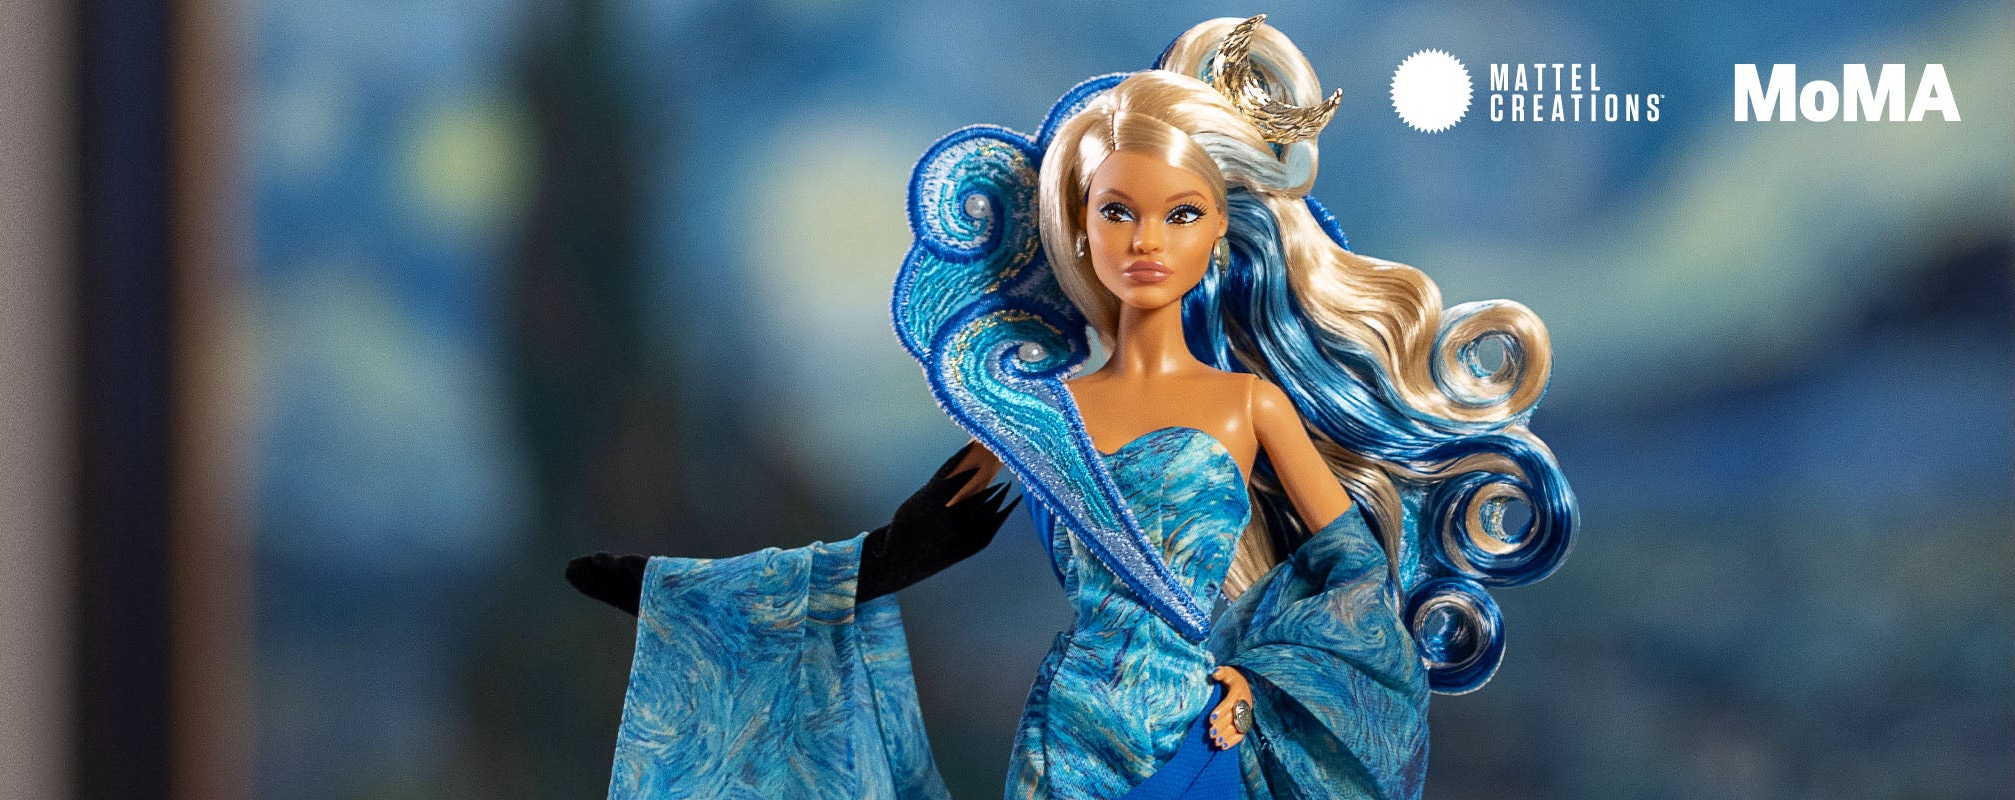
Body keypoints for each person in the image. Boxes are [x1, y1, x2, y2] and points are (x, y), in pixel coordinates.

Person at [566, 16, 1574, 800]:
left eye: (1180, 214)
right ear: (1080, 228)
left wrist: (1262, 680)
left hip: (1202, 733)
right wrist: (682, 595)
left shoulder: (1249, 405)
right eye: (1118, 211)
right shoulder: (1033, 408)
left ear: (1218, 234)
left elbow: (1355, 573)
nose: (1147, 240)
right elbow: (902, 552)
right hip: (1071, 743)